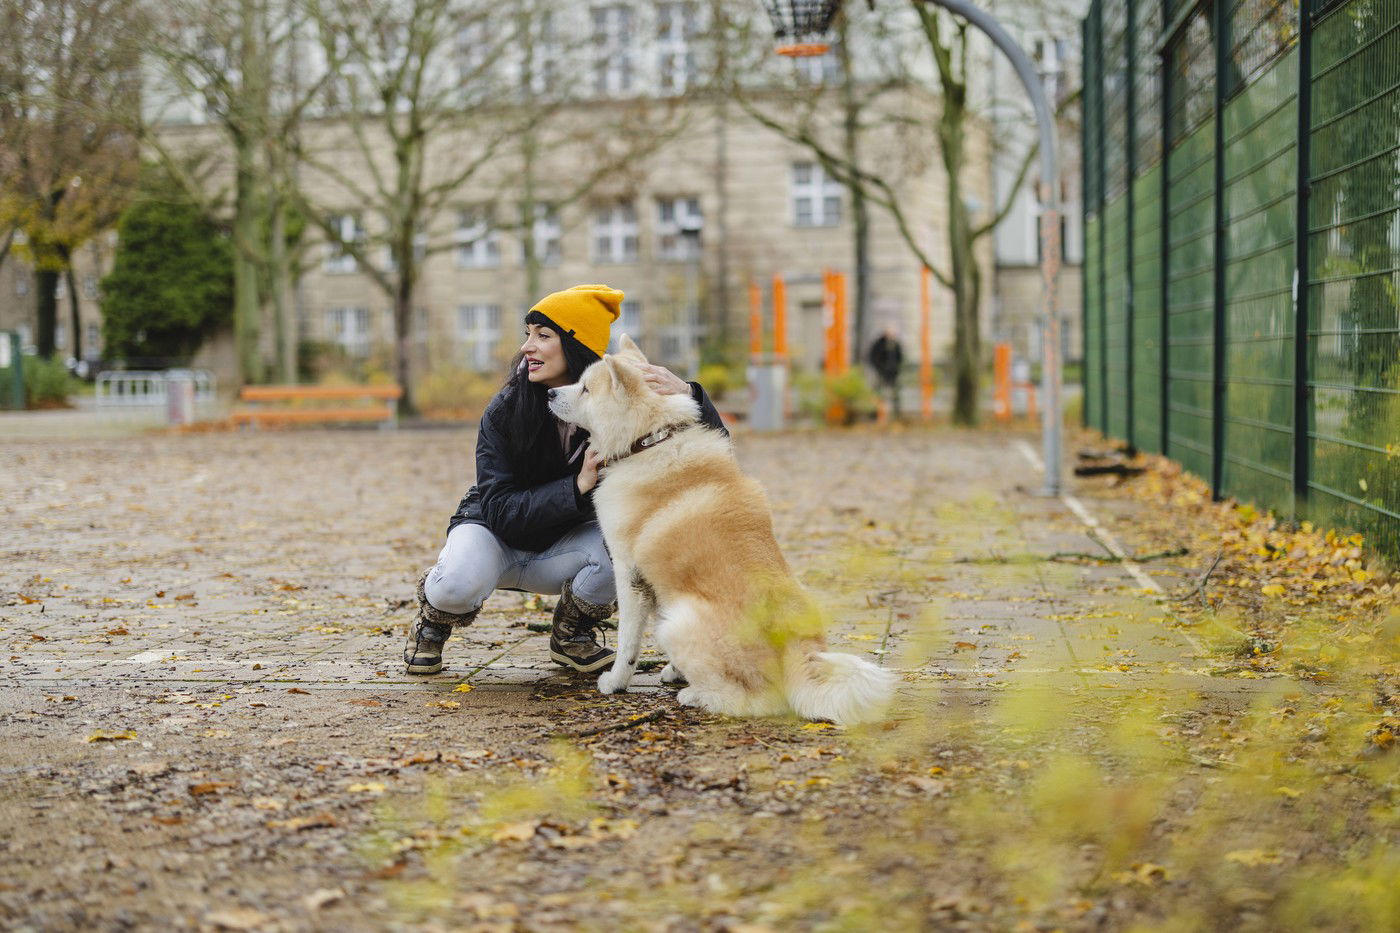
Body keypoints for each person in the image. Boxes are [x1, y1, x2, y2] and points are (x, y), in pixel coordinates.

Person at [405, 284, 728, 675]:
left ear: (576, 349)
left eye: (543, 336)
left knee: (627, 549)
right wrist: (576, 486)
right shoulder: (505, 410)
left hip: (565, 547)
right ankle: (433, 623)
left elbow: (703, 454)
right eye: (528, 334)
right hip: (495, 536)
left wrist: (689, 392)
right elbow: (500, 510)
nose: (527, 346)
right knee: (455, 584)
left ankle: (571, 633)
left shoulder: (616, 412)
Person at [868, 325, 904, 418]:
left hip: (892, 374)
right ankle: (875, 414)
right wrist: (879, 368)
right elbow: (873, 357)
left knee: (894, 394)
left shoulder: (895, 344)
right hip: (880, 373)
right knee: (878, 393)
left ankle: (895, 415)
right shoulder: (879, 344)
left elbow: (900, 358)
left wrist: (895, 369)